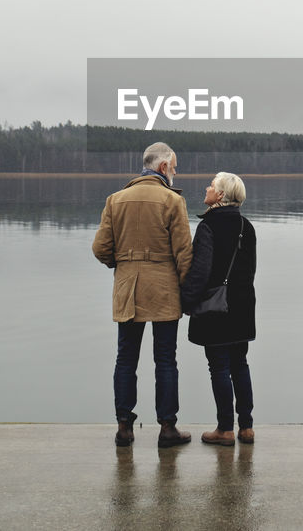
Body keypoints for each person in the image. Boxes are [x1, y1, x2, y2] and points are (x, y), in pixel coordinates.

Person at [92, 141, 194, 448]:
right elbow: (184, 253)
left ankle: (124, 427)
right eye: (174, 167)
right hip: (164, 288)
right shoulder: (172, 201)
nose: (175, 173)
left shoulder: (116, 199)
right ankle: (167, 428)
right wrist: (188, 291)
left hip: (128, 289)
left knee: (126, 359)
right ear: (162, 167)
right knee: (165, 360)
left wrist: (121, 265)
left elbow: (100, 248)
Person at [181, 171, 257, 447]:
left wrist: (186, 301)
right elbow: (250, 270)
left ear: (221, 195)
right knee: (240, 364)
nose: (207, 188)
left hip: (215, 308)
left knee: (219, 367)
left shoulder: (209, 226)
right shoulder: (247, 227)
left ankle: (225, 429)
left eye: (212, 185)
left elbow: (200, 272)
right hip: (243, 306)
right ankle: (246, 427)